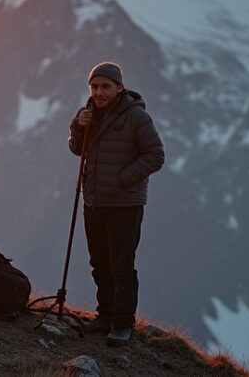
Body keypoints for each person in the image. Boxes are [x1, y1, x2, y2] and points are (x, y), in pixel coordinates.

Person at [67, 61, 165, 347]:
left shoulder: (137, 118)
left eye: (105, 87)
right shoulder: (87, 114)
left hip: (125, 204)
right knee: (99, 262)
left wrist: (123, 179)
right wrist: (77, 127)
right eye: (94, 87)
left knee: (122, 266)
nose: (99, 92)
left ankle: (122, 324)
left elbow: (156, 155)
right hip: (94, 200)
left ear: (120, 87)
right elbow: (77, 149)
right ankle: (105, 316)